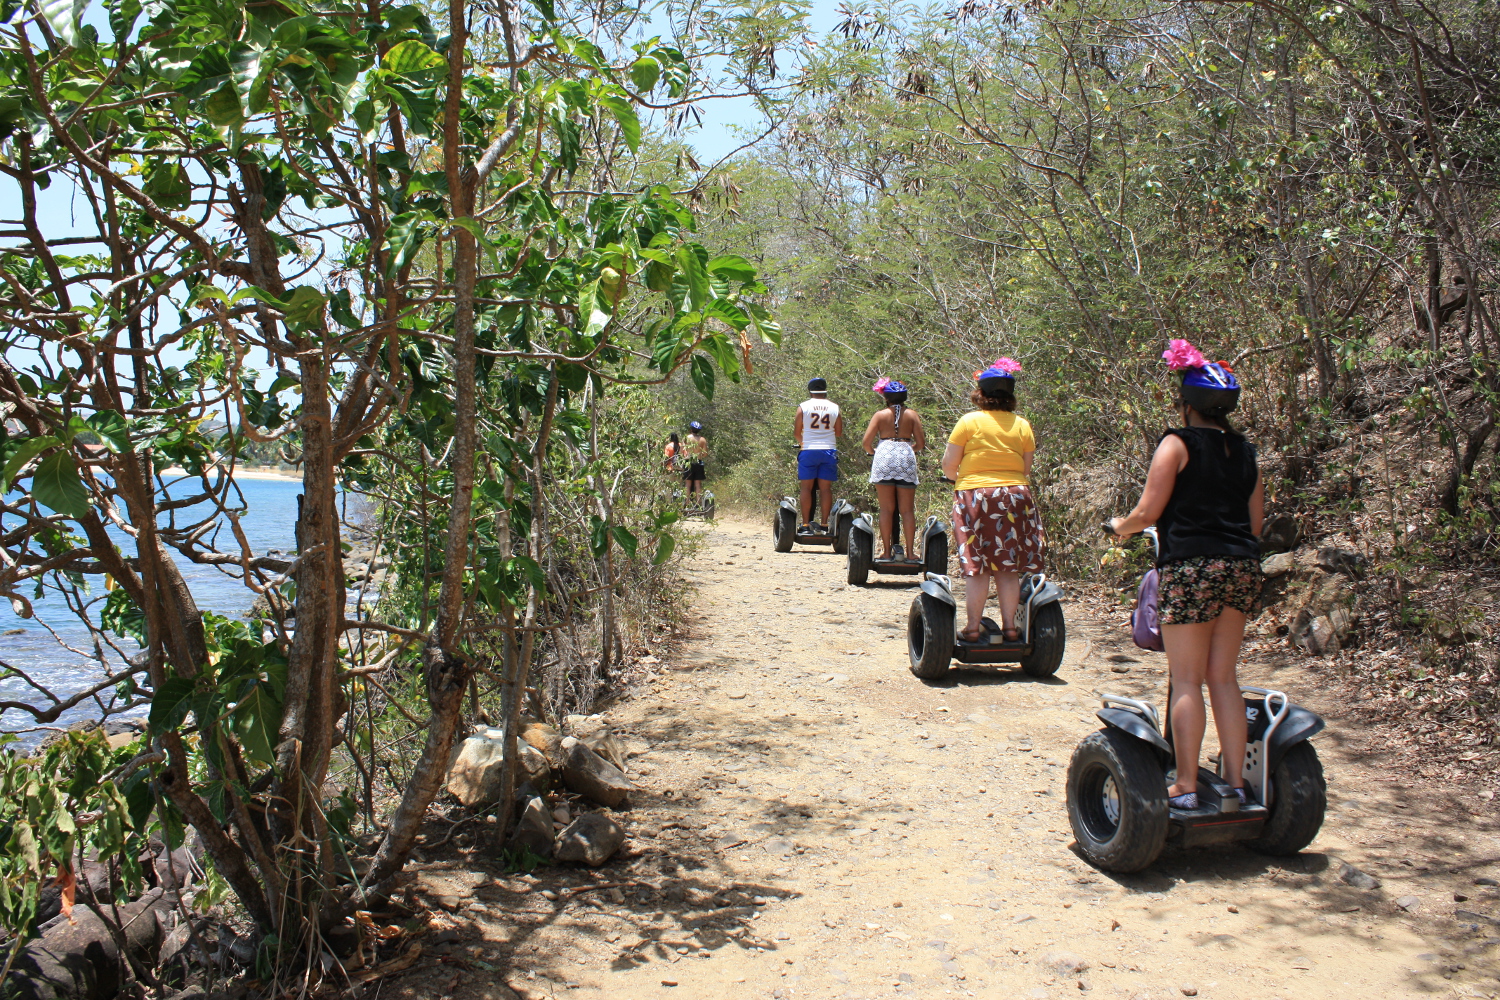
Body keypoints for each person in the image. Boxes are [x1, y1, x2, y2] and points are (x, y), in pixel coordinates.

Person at [1107, 339, 1263, 810]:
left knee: (1188, 678)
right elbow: (1254, 525)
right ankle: (1236, 785)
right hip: (1241, 567)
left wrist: (1120, 528)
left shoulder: (1176, 444)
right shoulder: (1244, 451)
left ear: (1186, 403)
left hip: (1192, 567)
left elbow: (1148, 511)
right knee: (1224, 678)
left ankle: (1187, 785)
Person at [941, 358, 1045, 642]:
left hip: (976, 494)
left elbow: (949, 466)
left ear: (980, 394)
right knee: (1007, 565)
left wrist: (960, 478)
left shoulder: (968, 422)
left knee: (977, 565)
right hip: (1015, 494)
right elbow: (1025, 468)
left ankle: (973, 628)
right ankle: (1010, 629)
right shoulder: (1022, 425)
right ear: (1010, 396)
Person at [862, 377, 926, 558]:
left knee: (886, 509)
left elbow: (866, 443)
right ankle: (911, 553)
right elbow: (920, 443)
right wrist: (907, 450)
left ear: (886, 397)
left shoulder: (880, 415)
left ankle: (887, 552)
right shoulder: (912, 415)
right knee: (907, 510)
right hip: (905, 455)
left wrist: (875, 452)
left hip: (884, 455)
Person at [793, 377, 843, 533]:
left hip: (808, 450)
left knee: (806, 488)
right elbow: (839, 433)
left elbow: (796, 432)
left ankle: (806, 524)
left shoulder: (803, 407)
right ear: (825, 390)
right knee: (826, 489)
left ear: (810, 390)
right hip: (828, 449)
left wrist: (803, 442)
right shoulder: (835, 407)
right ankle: (824, 524)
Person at [683, 421, 708, 500]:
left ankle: (687, 503)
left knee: (688, 484)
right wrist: (700, 456)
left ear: (691, 429)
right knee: (698, 484)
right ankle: (699, 503)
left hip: (688, 462)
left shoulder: (686, 438)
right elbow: (705, 453)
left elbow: (682, 451)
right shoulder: (703, 440)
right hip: (698, 462)